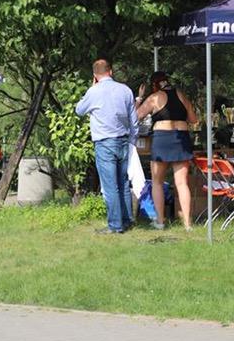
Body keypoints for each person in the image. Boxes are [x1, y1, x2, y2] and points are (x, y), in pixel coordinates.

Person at [75, 58, 139, 234]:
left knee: (110, 186)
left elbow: (79, 110)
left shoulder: (93, 91)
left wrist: (91, 88)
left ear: (95, 75)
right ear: (111, 71)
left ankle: (115, 225)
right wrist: (132, 141)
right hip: (123, 140)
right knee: (123, 182)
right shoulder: (125, 90)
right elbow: (134, 120)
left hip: (104, 142)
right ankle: (127, 220)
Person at [135, 71, 198, 231]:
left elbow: (136, 116)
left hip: (162, 139)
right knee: (182, 183)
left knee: (157, 181)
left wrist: (139, 98)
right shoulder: (181, 95)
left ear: (154, 84)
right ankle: (187, 224)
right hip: (181, 138)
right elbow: (193, 119)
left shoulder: (155, 97)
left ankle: (160, 221)